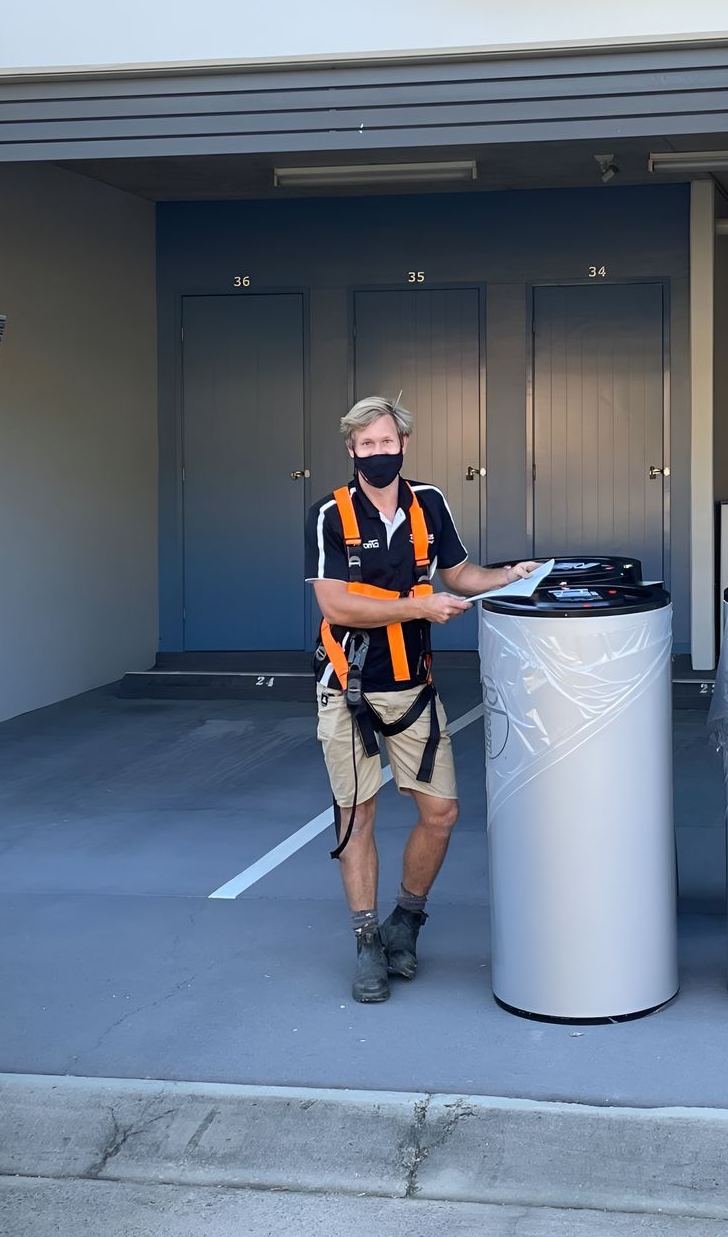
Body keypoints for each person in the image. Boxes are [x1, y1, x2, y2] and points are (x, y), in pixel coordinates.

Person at [307, 396, 539, 1004]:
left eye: (387, 443)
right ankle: (366, 945)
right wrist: (419, 606)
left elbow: (459, 575)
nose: (378, 454)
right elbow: (336, 605)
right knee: (357, 816)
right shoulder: (329, 514)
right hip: (349, 687)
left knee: (440, 813)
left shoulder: (429, 503)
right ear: (352, 450)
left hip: (413, 685)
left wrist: (511, 574)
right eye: (366, 445)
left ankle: (404, 924)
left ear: (403, 443)